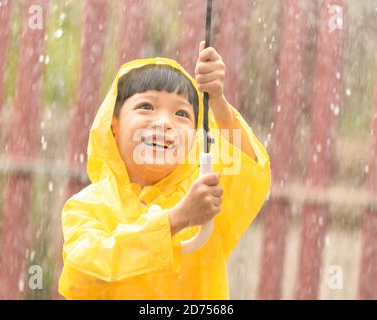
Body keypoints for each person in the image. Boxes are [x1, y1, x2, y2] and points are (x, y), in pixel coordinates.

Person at [58, 41, 271, 299]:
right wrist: (175, 220)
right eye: (146, 107)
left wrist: (217, 102)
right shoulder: (86, 206)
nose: (163, 122)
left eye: (181, 114)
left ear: (193, 137)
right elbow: (84, 272)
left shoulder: (207, 193)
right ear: (113, 127)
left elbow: (247, 169)